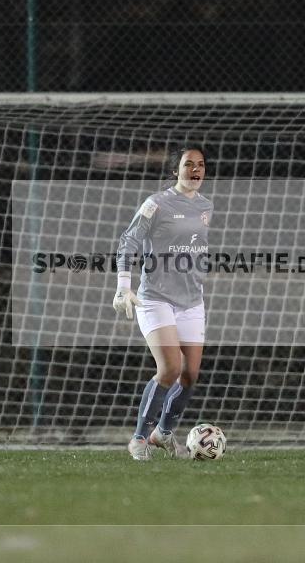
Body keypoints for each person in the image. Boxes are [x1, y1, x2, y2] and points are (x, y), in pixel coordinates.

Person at [113, 147, 212, 461]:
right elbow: (129, 241)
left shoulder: (206, 206)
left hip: (192, 302)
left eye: (200, 165)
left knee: (190, 375)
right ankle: (139, 437)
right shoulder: (156, 203)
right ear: (175, 171)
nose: (195, 170)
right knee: (170, 368)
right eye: (188, 165)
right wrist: (123, 287)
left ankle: (164, 432)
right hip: (156, 299)